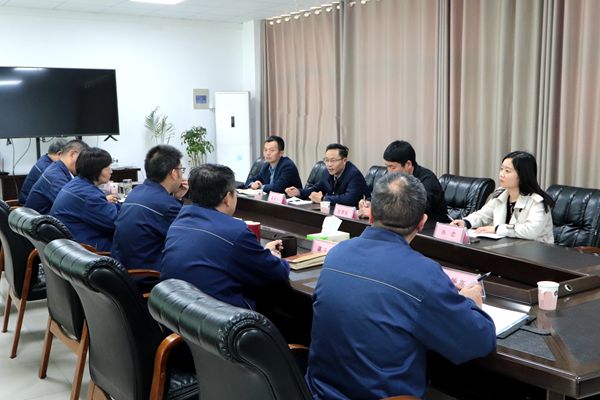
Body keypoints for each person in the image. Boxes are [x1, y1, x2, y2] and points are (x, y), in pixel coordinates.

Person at [306, 172, 496, 399]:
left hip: (319, 393)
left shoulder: (337, 253)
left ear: (371, 214)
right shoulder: (423, 273)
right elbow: (477, 342)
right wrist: (471, 303)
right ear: (422, 223)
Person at [160, 164, 290, 309]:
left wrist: (262, 253)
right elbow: (277, 274)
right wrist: (273, 256)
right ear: (228, 198)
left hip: (177, 311)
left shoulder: (179, 220)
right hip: (218, 317)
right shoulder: (236, 231)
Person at [450, 151, 555, 243]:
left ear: (523, 175)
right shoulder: (501, 194)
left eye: (507, 171)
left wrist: (497, 229)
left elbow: (530, 231)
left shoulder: (538, 202)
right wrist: (466, 222)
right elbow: (483, 215)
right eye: (501, 169)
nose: (502, 174)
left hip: (535, 253)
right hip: (506, 249)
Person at [112, 145, 188, 271]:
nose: (182, 174)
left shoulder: (136, 192)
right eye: (181, 169)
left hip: (123, 270)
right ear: (173, 173)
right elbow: (187, 240)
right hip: (147, 274)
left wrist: (176, 198)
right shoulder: (167, 206)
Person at [359, 140, 449, 223]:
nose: (389, 171)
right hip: (405, 225)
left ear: (408, 164)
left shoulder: (427, 180)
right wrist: (369, 203)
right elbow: (381, 195)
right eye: (387, 166)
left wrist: (376, 213)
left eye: (393, 167)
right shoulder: (393, 176)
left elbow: (413, 210)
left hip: (431, 227)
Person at [50, 148, 120, 252]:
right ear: (96, 170)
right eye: (107, 168)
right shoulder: (89, 195)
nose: (111, 171)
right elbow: (116, 222)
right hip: (87, 250)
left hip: (70, 245)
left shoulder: (77, 183)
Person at [285, 143, 368, 207]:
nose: (329, 164)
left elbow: (349, 199)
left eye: (333, 160)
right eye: (326, 160)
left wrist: (323, 199)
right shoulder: (327, 171)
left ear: (344, 161)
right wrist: (299, 192)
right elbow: (317, 188)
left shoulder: (354, 174)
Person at [25, 139, 89, 214]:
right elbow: (72, 205)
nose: (84, 164)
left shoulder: (58, 169)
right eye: (83, 159)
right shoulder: (56, 176)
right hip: (40, 219)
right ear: (72, 154)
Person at [18, 139, 67, 205]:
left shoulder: (44, 159)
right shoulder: (47, 169)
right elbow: (61, 195)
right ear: (59, 154)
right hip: (29, 208)